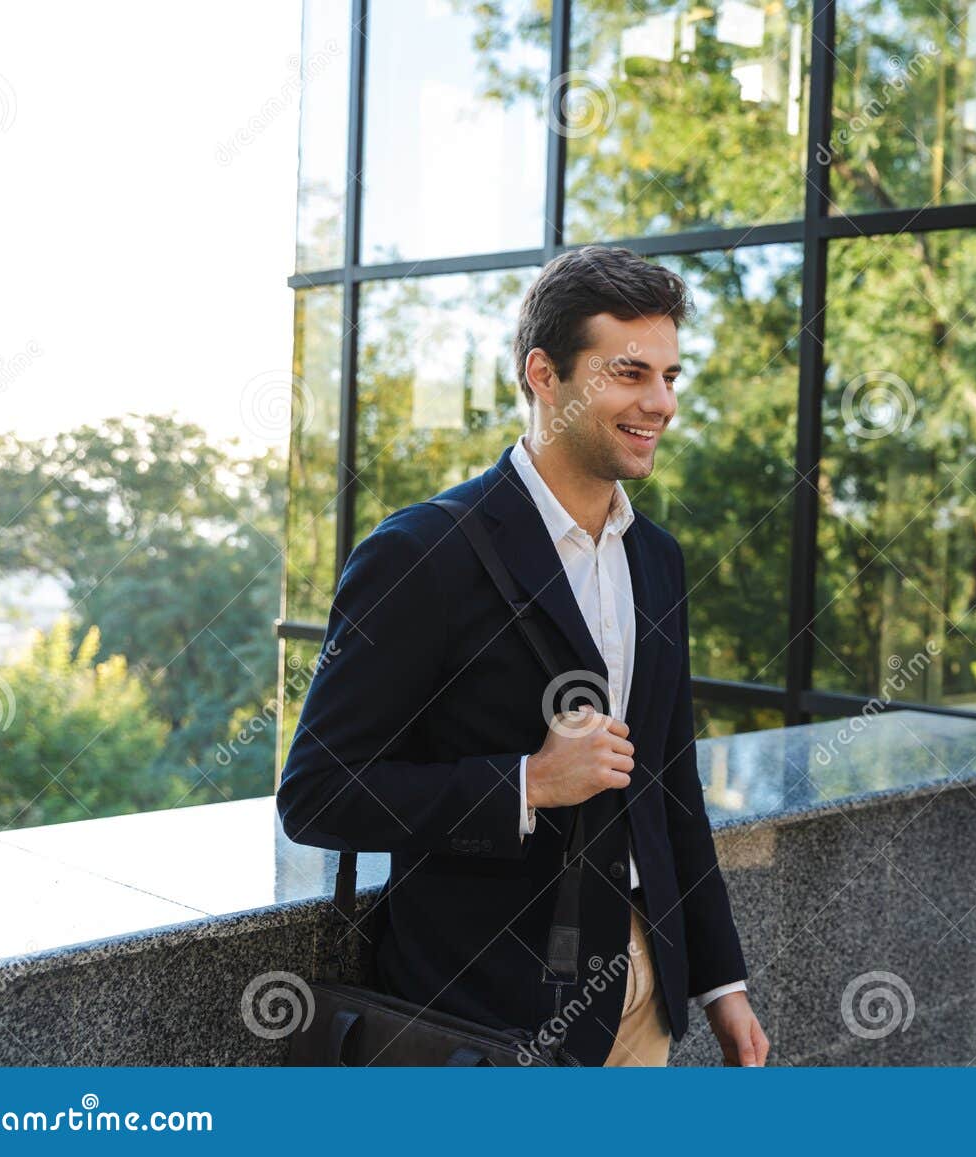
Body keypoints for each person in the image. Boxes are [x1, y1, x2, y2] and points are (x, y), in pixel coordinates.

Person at [278, 246, 769, 1068]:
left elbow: (671, 784)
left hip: (647, 1002)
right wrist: (529, 783)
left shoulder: (658, 558)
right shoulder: (422, 554)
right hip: (488, 1024)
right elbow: (318, 793)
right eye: (629, 373)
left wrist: (722, 982)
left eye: (671, 376)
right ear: (544, 374)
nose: (660, 403)